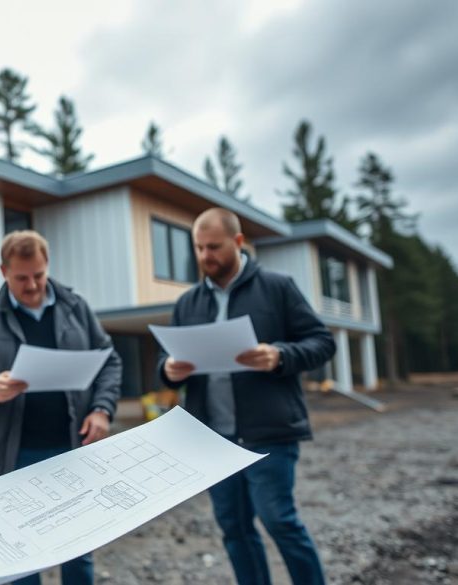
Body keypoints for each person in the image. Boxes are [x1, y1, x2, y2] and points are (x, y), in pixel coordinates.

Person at [159, 208, 335, 585]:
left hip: (269, 433)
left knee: (280, 522)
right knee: (234, 530)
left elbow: (322, 342)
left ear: (238, 243)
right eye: (199, 248)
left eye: (214, 247)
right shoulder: (187, 303)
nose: (205, 256)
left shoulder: (278, 287)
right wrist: (168, 370)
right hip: (211, 440)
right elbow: (168, 358)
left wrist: (280, 355)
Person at [0, 230, 122, 585]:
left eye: (39, 275)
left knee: (78, 549)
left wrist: (102, 410)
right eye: (21, 278)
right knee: (20, 555)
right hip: (14, 457)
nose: (32, 286)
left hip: (74, 450)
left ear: (47, 266)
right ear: (3, 271)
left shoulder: (76, 308)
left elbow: (110, 362)